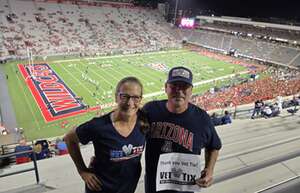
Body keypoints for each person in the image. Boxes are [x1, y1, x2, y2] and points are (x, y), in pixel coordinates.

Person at [143, 66, 222, 193]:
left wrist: (210, 170)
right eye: (174, 86)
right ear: (166, 88)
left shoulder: (202, 119)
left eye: (184, 86)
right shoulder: (150, 110)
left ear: (191, 90)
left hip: (187, 189)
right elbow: (127, 133)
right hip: (154, 188)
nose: (179, 91)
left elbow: (214, 146)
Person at [64, 77, 148, 193]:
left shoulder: (145, 121)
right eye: (125, 97)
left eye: (135, 97)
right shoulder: (99, 125)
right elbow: (69, 138)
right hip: (101, 189)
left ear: (140, 99)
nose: (130, 103)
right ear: (116, 97)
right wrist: (82, 171)